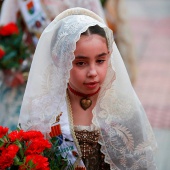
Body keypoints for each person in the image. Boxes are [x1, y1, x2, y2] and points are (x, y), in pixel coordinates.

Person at [18, 8, 157, 170]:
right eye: (81, 63)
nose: (92, 72)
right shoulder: (43, 110)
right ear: (60, 61)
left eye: (100, 61)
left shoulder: (123, 108)